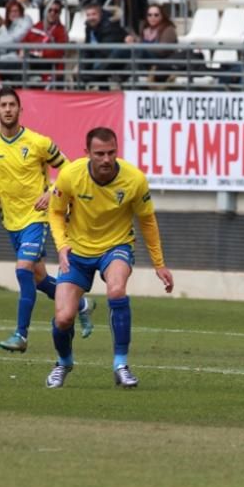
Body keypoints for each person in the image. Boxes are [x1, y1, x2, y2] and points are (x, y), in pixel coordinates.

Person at [45, 127, 174, 390]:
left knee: (116, 290)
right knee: (63, 318)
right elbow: (56, 212)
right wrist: (62, 246)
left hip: (116, 247)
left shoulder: (134, 180)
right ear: (87, 153)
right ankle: (63, 362)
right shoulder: (71, 175)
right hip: (78, 252)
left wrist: (159, 263)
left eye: (111, 153)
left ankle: (121, 365)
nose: (106, 159)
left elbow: (147, 220)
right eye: (99, 153)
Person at [0, 87, 96, 353]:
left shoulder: (38, 142)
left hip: (37, 218)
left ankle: (21, 334)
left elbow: (68, 167)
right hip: (11, 222)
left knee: (22, 269)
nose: (7, 109)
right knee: (39, 279)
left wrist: (51, 192)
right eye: (3, 105)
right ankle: (82, 305)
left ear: (19, 109)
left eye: (12, 105)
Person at [126, 2, 180, 82]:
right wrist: (133, 41)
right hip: (144, 60)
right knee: (123, 50)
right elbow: (141, 43)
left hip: (160, 62)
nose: (152, 17)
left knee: (140, 50)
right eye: (150, 15)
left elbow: (162, 50)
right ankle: (103, 73)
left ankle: (122, 75)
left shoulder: (168, 29)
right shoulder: (145, 29)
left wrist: (140, 45)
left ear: (162, 16)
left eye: (156, 15)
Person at [80, 2, 129, 83]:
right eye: (88, 15)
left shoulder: (110, 25)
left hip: (114, 60)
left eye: (93, 14)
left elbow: (106, 50)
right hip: (99, 58)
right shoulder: (88, 28)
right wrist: (83, 69)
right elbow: (87, 49)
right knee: (81, 66)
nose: (91, 17)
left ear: (100, 14)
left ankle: (90, 78)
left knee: (96, 67)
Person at [23, 0, 69, 81]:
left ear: (59, 14)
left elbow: (58, 52)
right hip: (31, 59)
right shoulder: (37, 25)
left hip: (48, 64)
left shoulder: (62, 31)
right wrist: (21, 50)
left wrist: (40, 53)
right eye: (50, 10)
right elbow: (24, 41)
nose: (52, 13)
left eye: (56, 11)